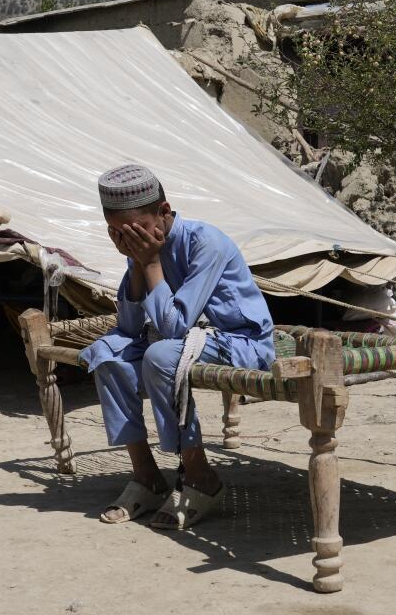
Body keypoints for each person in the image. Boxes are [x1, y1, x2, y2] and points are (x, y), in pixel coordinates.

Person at [80, 164, 274, 529]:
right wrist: (139, 263)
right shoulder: (142, 249)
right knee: (106, 354)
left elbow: (172, 327)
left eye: (137, 232)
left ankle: (201, 477)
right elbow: (130, 326)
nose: (130, 241)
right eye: (118, 234)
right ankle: (146, 477)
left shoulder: (206, 243)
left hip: (240, 343)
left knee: (160, 355)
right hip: (185, 342)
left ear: (165, 212)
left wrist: (150, 261)